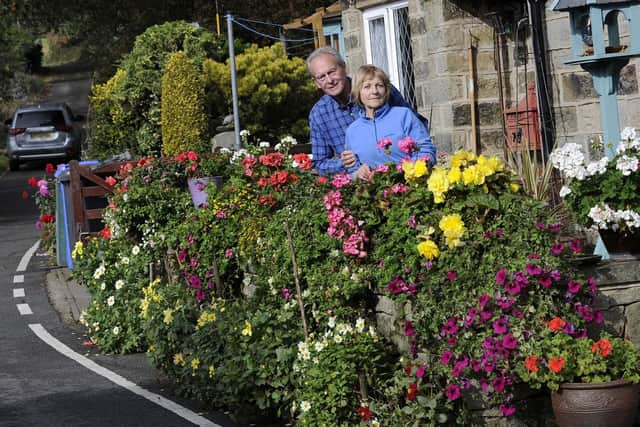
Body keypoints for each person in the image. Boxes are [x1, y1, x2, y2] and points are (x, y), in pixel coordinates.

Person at [306, 46, 427, 176]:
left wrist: (415, 166)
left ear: (344, 67)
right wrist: (345, 163)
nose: (329, 80)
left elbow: (417, 129)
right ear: (316, 83)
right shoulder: (319, 114)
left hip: (403, 172)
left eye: (332, 72)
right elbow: (320, 163)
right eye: (321, 77)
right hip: (361, 183)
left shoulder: (378, 91)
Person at [345, 65, 436, 180]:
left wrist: (413, 171)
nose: (374, 91)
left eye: (379, 86)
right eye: (367, 87)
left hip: (411, 184)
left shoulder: (404, 116)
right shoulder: (353, 131)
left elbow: (425, 149)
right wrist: (357, 173)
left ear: (386, 90)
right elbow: (352, 168)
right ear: (358, 92)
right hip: (375, 191)